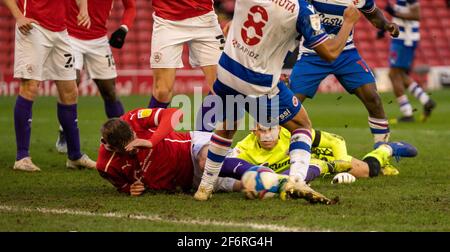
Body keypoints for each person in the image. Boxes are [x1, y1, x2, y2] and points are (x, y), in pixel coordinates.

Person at [194, 0, 361, 204]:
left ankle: (205, 186)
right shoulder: (302, 10)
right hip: (259, 81)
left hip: (227, 71)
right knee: (302, 124)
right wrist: (348, 23)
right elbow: (330, 53)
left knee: (227, 127)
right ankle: (297, 180)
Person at [289, 0, 400, 144]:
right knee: (289, 105)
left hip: (346, 53)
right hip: (312, 53)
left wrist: (386, 24)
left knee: (373, 98)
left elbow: (373, 13)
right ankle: (275, 152)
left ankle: (382, 152)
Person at [3, 0, 96, 171]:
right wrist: (19, 16)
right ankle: (22, 157)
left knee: (70, 91)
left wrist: (83, 8)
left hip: (60, 31)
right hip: (33, 27)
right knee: (30, 87)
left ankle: (74, 155)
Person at [96, 108, 241, 196]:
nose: (136, 147)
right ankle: (259, 171)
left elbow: (176, 114)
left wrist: (151, 141)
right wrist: (131, 189)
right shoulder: (106, 166)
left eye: (135, 139)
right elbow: (124, 186)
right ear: (112, 148)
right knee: (244, 184)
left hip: (191, 146)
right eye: (129, 148)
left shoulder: (132, 118)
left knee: (206, 162)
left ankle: (249, 159)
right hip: (190, 180)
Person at [55, 0, 137, 153]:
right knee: (71, 84)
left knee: (109, 92)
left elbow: (130, 6)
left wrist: (123, 28)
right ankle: (65, 132)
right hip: (70, 36)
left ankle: (123, 138)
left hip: (99, 40)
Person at [224, 124, 418, 181]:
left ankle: (386, 150)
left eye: (270, 130)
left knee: (368, 171)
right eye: (261, 131)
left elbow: (336, 140)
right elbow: (227, 169)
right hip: (307, 170)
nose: (266, 136)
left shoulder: (293, 133)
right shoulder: (243, 148)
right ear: (253, 130)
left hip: (324, 158)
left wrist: (340, 163)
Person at [147, 0, 225, 109]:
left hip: (205, 18)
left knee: (222, 85)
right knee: (162, 92)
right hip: (167, 20)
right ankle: (150, 125)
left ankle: (201, 126)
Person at [384, 0, 436, 122]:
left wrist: (394, 13)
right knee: (400, 75)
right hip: (402, 39)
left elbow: (416, 15)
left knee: (393, 74)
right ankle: (426, 100)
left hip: (404, 41)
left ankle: (407, 114)